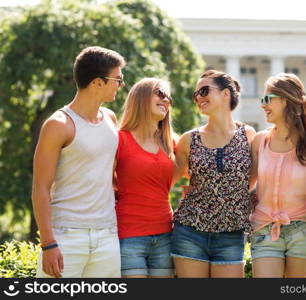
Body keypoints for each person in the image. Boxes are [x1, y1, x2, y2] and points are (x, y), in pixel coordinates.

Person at [32, 46, 125, 278]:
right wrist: (48, 243)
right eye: (118, 79)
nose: (121, 85)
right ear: (97, 83)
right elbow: (40, 187)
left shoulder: (111, 119)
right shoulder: (58, 124)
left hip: (106, 234)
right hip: (66, 236)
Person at [172, 70, 256, 278]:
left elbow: (253, 179)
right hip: (189, 230)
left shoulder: (249, 135)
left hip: (231, 233)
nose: (199, 97)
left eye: (204, 90)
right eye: (196, 95)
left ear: (226, 93)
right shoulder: (188, 140)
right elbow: (168, 180)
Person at [249, 73, 306, 278]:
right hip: (264, 228)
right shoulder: (260, 141)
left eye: (267, 99)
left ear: (286, 100)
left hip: (302, 229)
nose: (262, 105)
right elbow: (247, 184)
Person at [115, 78, 175, 278]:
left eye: (168, 97)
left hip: (166, 234)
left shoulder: (170, 143)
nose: (165, 100)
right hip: (130, 235)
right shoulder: (119, 139)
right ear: (141, 97)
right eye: (160, 93)